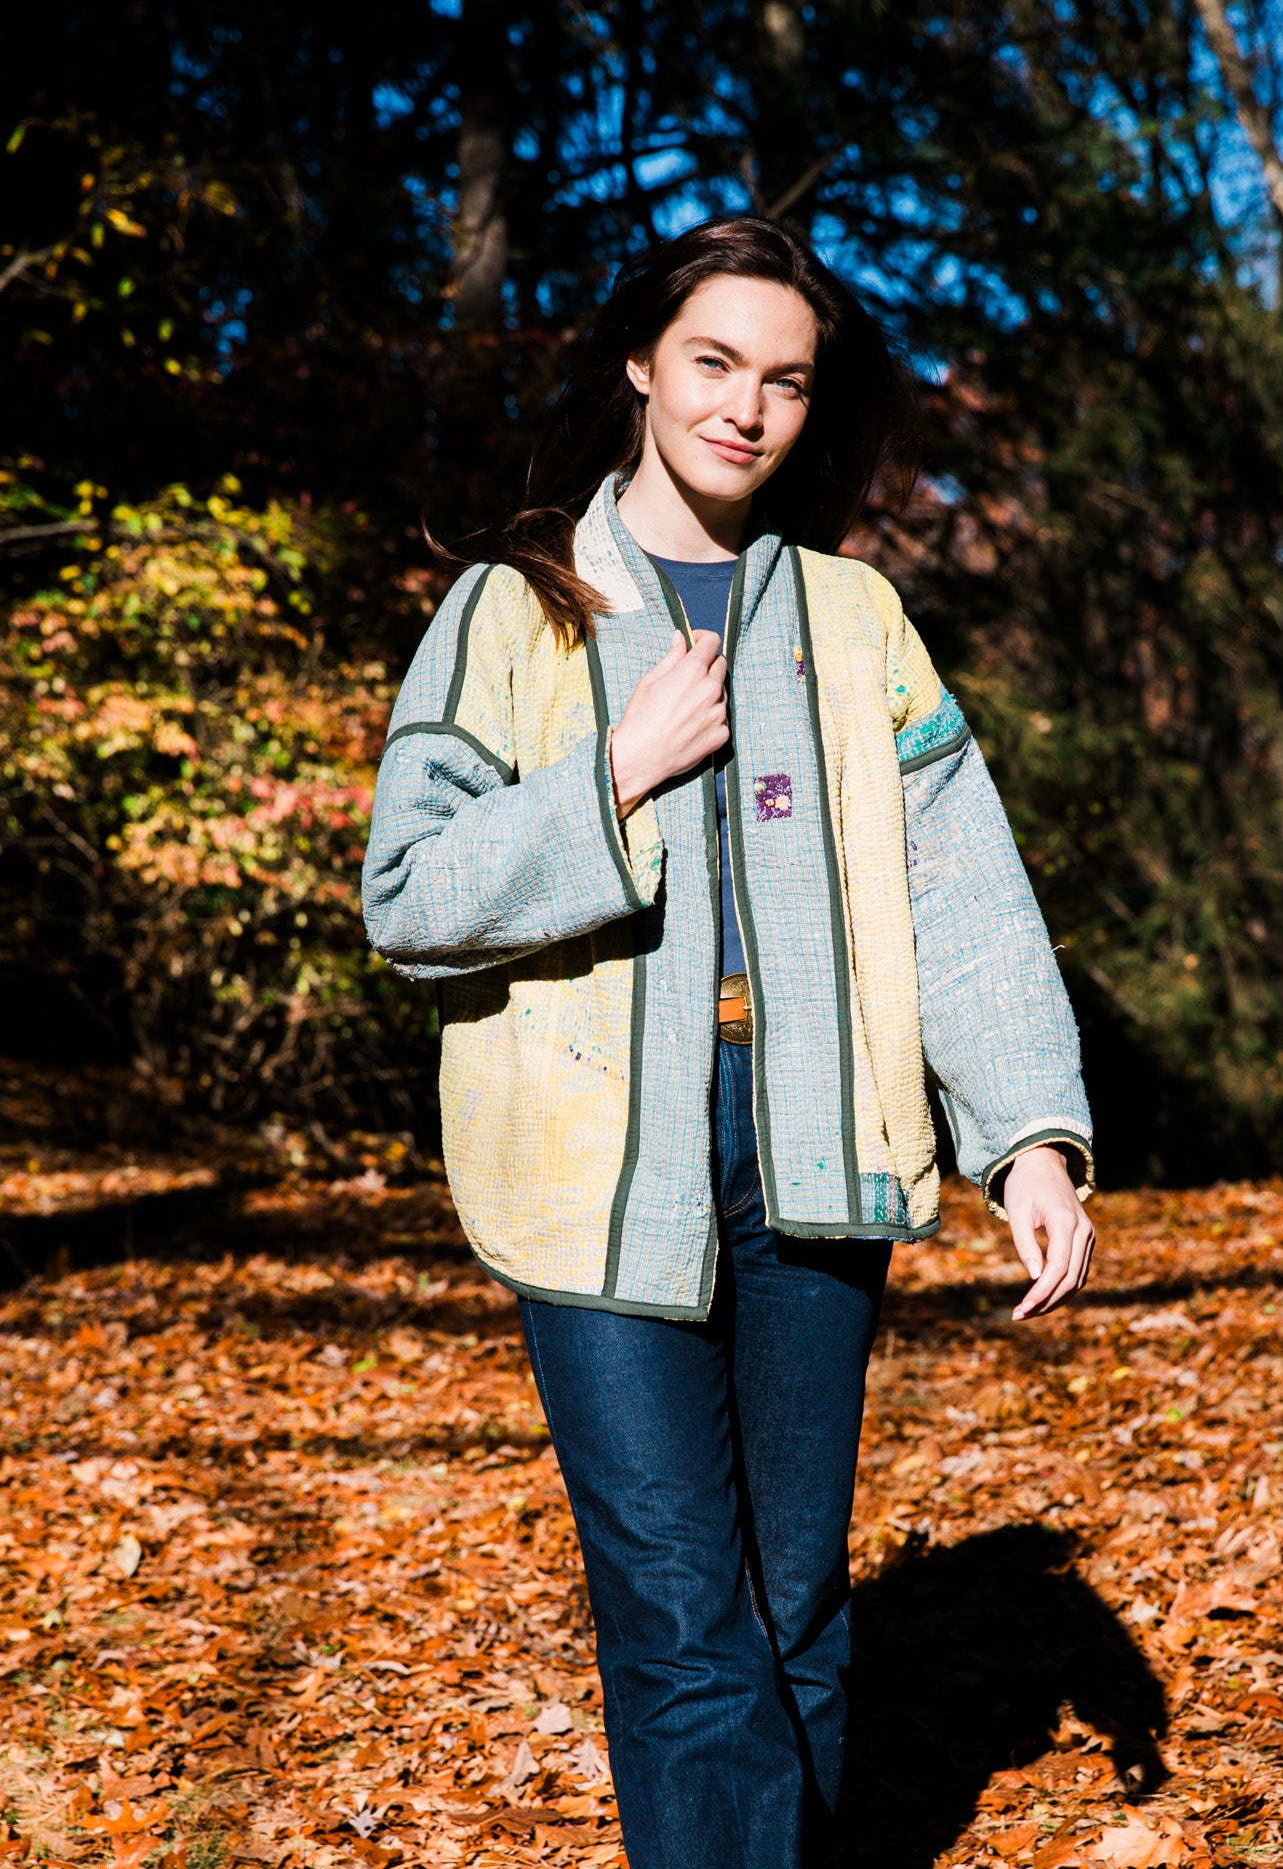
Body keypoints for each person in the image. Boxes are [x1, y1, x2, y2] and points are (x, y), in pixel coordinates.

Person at [361, 216, 1096, 1868]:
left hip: (815, 1169)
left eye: (782, 379)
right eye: (711, 363)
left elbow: (957, 882)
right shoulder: (509, 606)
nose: (745, 407)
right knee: (690, 1625)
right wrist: (608, 775)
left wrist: (1028, 1134)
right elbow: (406, 893)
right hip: (590, 1180)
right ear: (639, 362)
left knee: (794, 1612)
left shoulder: (851, 620)